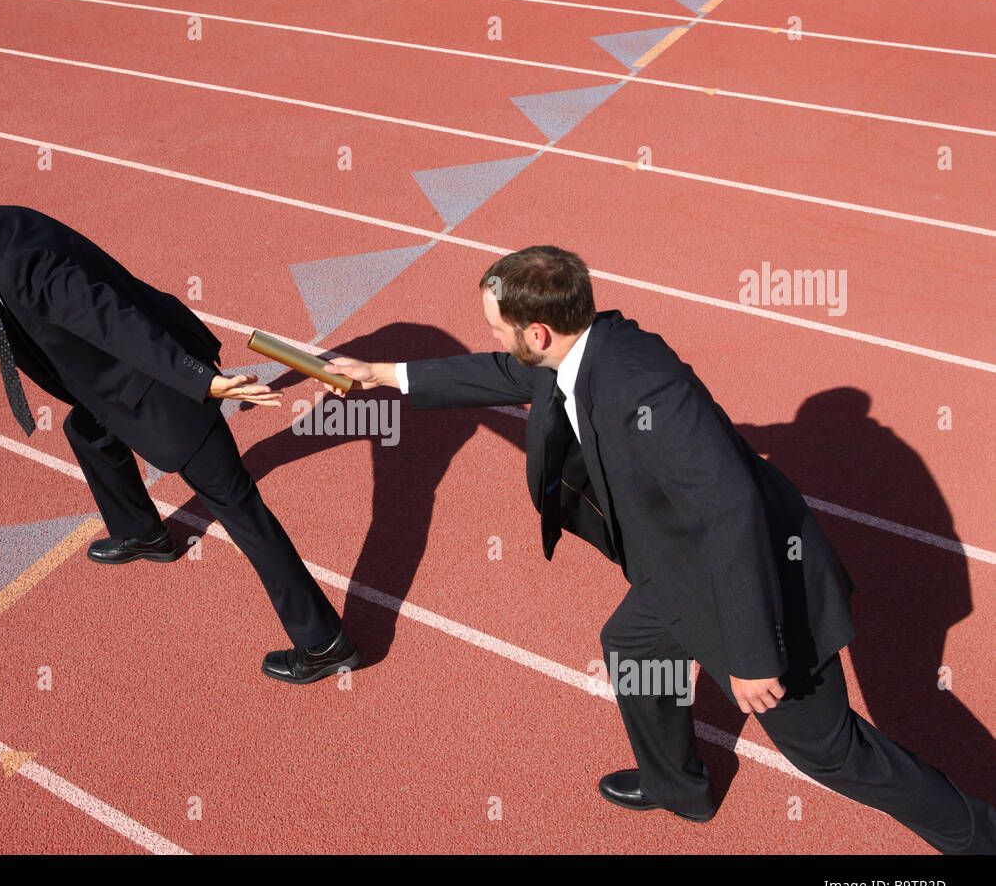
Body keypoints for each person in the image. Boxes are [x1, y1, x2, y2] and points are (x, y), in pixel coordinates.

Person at [324, 245, 996, 852]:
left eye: (499, 325)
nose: (495, 337)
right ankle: (679, 786)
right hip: (676, 570)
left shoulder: (641, 383)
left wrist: (754, 656)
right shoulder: (575, 351)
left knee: (834, 752)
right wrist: (378, 372)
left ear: (539, 330)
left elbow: (733, 511)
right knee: (633, 647)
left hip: (763, 590)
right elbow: (502, 373)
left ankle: (979, 837)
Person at [0, 193, 358, 683]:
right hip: (108, 385)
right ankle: (144, 533)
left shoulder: (26, 265)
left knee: (239, 508)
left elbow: (111, 320)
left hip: (162, 385)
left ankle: (323, 642)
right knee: (87, 430)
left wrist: (198, 380)